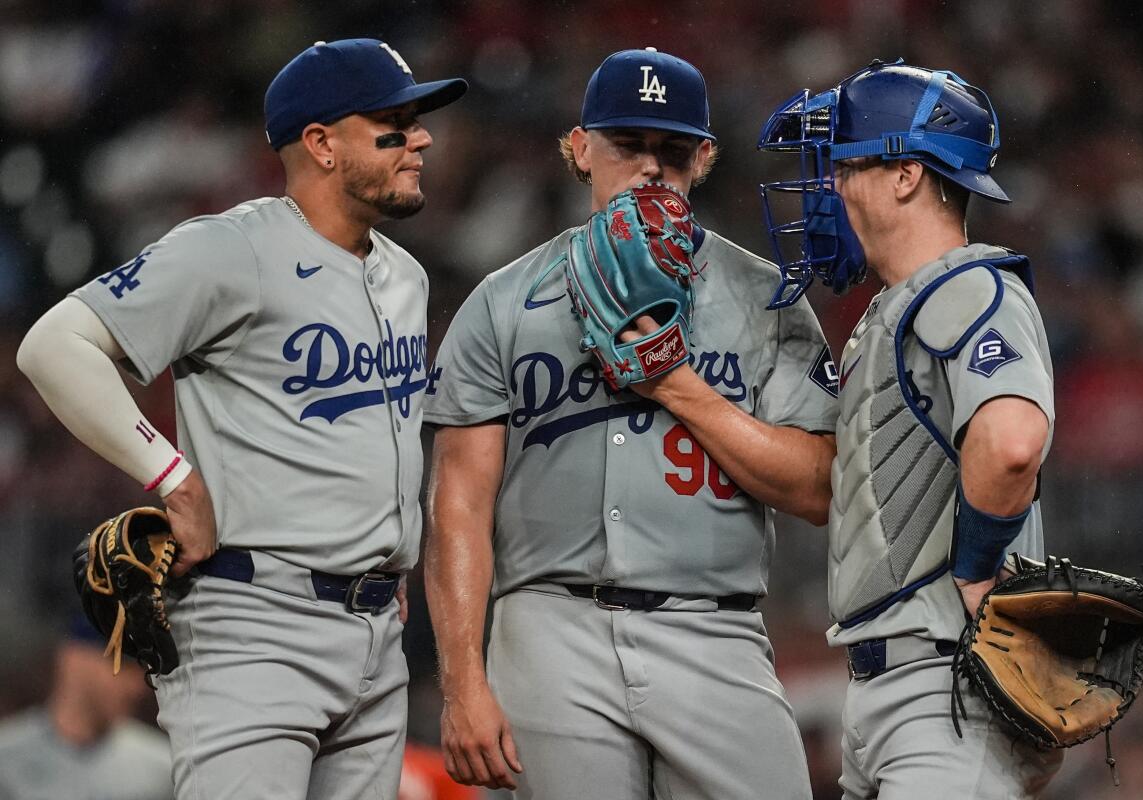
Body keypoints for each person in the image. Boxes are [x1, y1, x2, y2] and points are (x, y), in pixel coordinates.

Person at [17, 38, 466, 800]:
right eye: (393, 122)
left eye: (416, 121)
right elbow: (53, 346)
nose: (420, 137)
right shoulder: (229, 248)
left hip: (376, 632)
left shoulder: (405, 274)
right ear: (321, 144)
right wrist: (174, 478)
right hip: (255, 624)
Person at [424, 47, 838, 800]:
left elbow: (817, 489)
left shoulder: (768, 299)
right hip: (549, 627)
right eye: (627, 145)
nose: (650, 167)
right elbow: (458, 502)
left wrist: (675, 387)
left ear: (704, 157)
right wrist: (462, 683)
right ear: (580, 148)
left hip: (714, 628)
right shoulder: (503, 300)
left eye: (672, 151)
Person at [757, 59, 1063, 798]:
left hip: (946, 684)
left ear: (905, 176)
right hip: (892, 690)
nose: (829, 184)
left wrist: (979, 569)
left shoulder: (972, 285)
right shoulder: (899, 306)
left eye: (845, 163)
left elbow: (1013, 439)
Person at [0, 616, 173, 800]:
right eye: (121, 665)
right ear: (74, 658)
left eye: (143, 669)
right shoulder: (5, 760)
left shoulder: (164, 769)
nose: (137, 685)